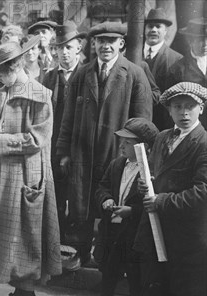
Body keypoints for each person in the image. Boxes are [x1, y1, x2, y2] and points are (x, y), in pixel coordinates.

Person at [0, 37, 61, 296]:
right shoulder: (5, 92)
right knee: (9, 234)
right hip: (5, 171)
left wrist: (0, 138)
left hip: (26, 173)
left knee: (25, 235)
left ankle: (28, 295)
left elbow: (37, 139)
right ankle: (18, 292)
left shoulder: (39, 94)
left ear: (14, 66)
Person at [56, 22, 153, 266]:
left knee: (114, 204)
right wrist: (64, 153)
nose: (105, 46)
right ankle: (80, 252)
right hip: (83, 153)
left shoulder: (134, 73)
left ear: (121, 43)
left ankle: (111, 260)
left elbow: (143, 122)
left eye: (111, 41)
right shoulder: (82, 73)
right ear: (93, 44)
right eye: (100, 41)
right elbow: (67, 118)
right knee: (82, 205)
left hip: (117, 153)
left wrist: (135, 157)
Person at [126, 82, 207, 296]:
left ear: (201, 108)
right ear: (170, 110)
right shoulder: (161, 138)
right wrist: (144, 186)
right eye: (177, 107)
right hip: (156, 224)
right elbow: (153, 175)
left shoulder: (204, 143)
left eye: (190, 107)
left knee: (188, 285)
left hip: (187, 230)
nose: (184, 113)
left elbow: (203, 191)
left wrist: (161, 200)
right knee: (155, 278)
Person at [84, 118, 159, 296]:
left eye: (127, 143)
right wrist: (106, 199)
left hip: (134, 233)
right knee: (108, 272)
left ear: (143, 147)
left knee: (135, 276)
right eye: (122, 142)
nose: (121, 146)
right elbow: (103, 186)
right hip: (112, 230)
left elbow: (152, 201)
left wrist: (132, 211)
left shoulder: (151, 171)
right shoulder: (117, 164)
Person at [42, 21, 86, 240]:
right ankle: (56, 242)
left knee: (78, 197)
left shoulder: (88, 74)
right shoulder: (49, 78)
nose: (64, 52)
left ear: (79, 47)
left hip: (80, 147)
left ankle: (78, 244)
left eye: (69, 46)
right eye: (60, 47)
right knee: (56, 196)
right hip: (53, 146)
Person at [144, 8, 183, 131]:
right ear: (144, 29)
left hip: (163, 123)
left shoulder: (177, 59)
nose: (153, 30)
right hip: (136, 118)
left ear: (165, 30)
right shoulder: (131, 55)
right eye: (150, 26)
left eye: (158, 26)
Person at [166, 18, 207, 129]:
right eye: (200, 40)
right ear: (190, 41)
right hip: (190, 128)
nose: (205, 44)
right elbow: (171, 104)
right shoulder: (178, 69)